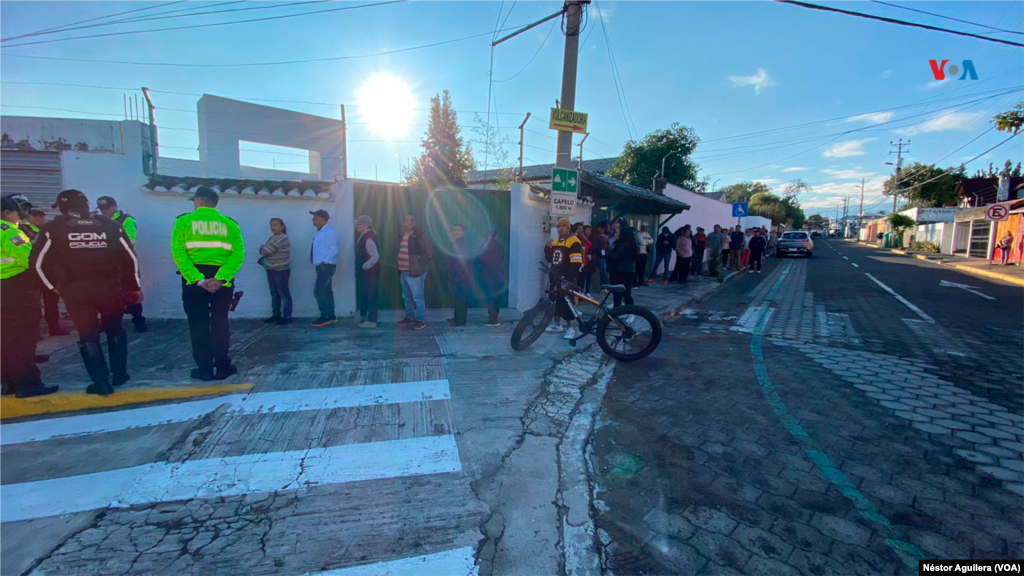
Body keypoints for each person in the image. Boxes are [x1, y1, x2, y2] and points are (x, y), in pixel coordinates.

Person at [31, 189, 142, 396]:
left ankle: (101, 382)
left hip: (76, 292)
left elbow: (36, 263)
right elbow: (130, 258)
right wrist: (134, 287)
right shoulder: (109, 225)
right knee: (115, 330)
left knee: (88, 336)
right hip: (110, 288)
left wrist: (51, 288)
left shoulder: (53, 228)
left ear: (63, 206)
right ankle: (119, 374)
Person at [171, 186, 244, 381]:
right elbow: (237, 256)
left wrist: (199, 279)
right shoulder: (230, 224)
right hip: (222, 280)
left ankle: (204, 369)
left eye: (194, 201)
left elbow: (179, 254)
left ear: (200, 201)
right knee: (220, 322)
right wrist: (220, 278)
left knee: (198, 323)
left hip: (194, 280)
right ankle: (222, 367)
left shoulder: (183, 221)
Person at [0, 196, 57, 398]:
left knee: (4, 340)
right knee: (21, 340)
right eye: (17, 213)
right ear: (7, 213)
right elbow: (31, 259)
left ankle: (9, 383)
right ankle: (29, 385)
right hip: (15, 290)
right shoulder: (8, 231)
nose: (18, 217)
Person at [96, 196, 148, 332]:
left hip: (125, 261)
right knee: (106, 292)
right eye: (102, 209)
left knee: (132, 290)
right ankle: (107, 320)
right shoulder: (97, 221)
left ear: (115, 207)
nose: (104, 212)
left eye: (107, 208)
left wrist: (110, 246)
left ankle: (138, 320)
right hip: (105, 263)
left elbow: (132, 239)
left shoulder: (127, 220)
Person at [18, 205, 69, 337]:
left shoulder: (48, 229)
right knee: (33, 304)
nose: (39, 218)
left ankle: (54, 327)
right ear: (29, 217)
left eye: (41, 215)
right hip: (32, 272)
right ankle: (34, 333)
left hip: (49, 271)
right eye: (35, 215)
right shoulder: (21, 229)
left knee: (51, 302)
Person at [545, 218, 584, 339]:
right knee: (556, 301)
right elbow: (551, 259)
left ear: (568, 227)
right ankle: (557, 324)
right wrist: (547, 248)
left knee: (568, 302)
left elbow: (576, 263)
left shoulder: (574, 241)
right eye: (558, 226)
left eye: (563, 226)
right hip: (555, 277)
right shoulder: (556, 241)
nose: (560, 228)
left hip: (567, 279)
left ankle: (571, 328)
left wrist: (568, 279)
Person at [397, 214, 433, 330]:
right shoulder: (401, 235)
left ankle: (420, 319)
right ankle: (410, 317)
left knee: (418, 298)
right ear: (404, 223)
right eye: (407, 220)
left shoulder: (420, 235)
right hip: (403, 271)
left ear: (416, 222)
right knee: (407, 297)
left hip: (415, 273)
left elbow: (429, 252)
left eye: (412, 220)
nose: (410, 222)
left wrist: (420, 265)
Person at [258, 217, 292, 325]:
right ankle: (276, 314)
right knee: (274, 293)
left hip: (280, 270)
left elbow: (265, 251)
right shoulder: (272, 238)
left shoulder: (282, 238)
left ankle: (287, 317)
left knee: (283, 293)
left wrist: (263, 248)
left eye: (276, 225)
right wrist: (264, 249)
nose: (273, 227)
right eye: (271, 225)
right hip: (271, 269)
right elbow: (265, 250)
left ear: (282, 226)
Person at [354, 215, 381, 328]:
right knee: (366, 295)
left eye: (359, 224)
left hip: (370, 273)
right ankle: (364, 316)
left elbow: (375, 256)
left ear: (365, 226)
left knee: (370, 295)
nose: (356, 226)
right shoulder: (365, 236)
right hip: (366, 273)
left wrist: (364, 266)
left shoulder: (368, 238)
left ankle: (371, 321)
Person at [478, 229, 505, 327]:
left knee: (489, 298)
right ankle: (495, 317)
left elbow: (480, 259)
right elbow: (501, 259)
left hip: (487, 276)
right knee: (496, 298)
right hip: (499, 276)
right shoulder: (500, 246)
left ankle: (492, 319)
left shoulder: (484, 246)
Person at [447, 224, 472, 327]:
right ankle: (457, 318)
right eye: (454, 230)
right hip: (455, 275)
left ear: (463, 233)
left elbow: (464, 262)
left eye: (458, 230)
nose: (455, 232)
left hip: (460, 277)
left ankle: (460, 321)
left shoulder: (463, 245)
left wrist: (459, 276)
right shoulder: (456, 243)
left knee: (461, 299)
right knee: (457, 298)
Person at [609, 219, 637, 308]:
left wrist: (609, 249)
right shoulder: (619, 243)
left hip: (624, 271)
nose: (615, 235)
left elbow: (616, 255)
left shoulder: (626, 245)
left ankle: (629, 310)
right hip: (619, 271)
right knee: (617, 292)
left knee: (625, 292)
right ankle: (617, 308)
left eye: (617, 233)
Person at [575, 223, 593, 296]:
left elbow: (590, 245)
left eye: (582, 228)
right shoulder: (575, 238)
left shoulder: (584, 238)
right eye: (579, 228)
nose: (581, 230)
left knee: (582, 279)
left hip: (584, 262)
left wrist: (584, 237)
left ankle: (581, 294)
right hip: (577, 262)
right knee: (577, 280)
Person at [591, 222, 611, 290]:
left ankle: (604, 286)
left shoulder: (601, 235)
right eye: (602, 229)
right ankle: (606, 286)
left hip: (601, 255)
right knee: (603, 271)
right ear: (599, 228)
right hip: (598, 255)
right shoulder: (594, 235)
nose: (603, 231)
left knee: (603, 271)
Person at [635, 222, 653, 288]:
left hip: (645, 253)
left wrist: (645, 240)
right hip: (639, 253)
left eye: (647, 227)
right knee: (638, 268)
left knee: (643, 268)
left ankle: (641, 280)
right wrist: (646, 241)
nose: (646, 228)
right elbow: (641, 242)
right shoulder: (638, 234)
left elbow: (652, 240)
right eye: (645, 227)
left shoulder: (646, 233)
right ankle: (635, 281)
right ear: (642, 227)